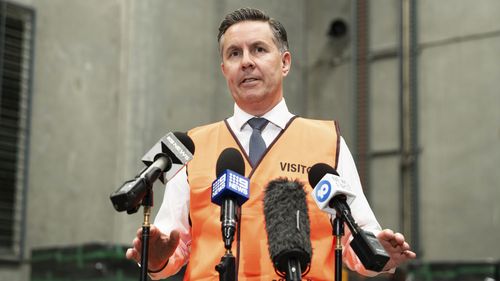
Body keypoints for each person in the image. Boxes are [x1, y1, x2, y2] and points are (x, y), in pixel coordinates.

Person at [126, 7, 416, 280]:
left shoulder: (327, 142)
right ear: (224, 68)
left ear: (285, 62)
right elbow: (169, 250)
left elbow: (356, 242)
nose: (247, 61)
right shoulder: (192, 148)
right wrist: (156, 258)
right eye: (234, 53)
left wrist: (381, 253)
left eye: (259, 49)